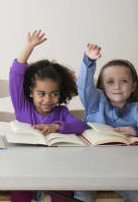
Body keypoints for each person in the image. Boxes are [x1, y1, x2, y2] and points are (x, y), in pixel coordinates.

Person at [9, 30, 85, 202]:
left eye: (54, 94)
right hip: (25, 169)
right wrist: (28, 47)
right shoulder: (22, 108)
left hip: (56, 170)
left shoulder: (61, 113)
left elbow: (81, 126)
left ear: (60, 92)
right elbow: (15, 75)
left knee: (63, 194)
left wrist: (57, 126)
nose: (47, 99)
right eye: (41, 93)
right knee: (19, 192)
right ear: (31, 92)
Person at [75, 43, 138, 202]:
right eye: (110, 82)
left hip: (125, 170)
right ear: (102, 86)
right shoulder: (95, 102)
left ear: (133, 86)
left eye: (124, 81)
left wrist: (136, 131)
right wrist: (89, 61)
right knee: (83, 195)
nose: (117, 86)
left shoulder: (136, 109)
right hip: (91, 167)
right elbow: (84, 86)